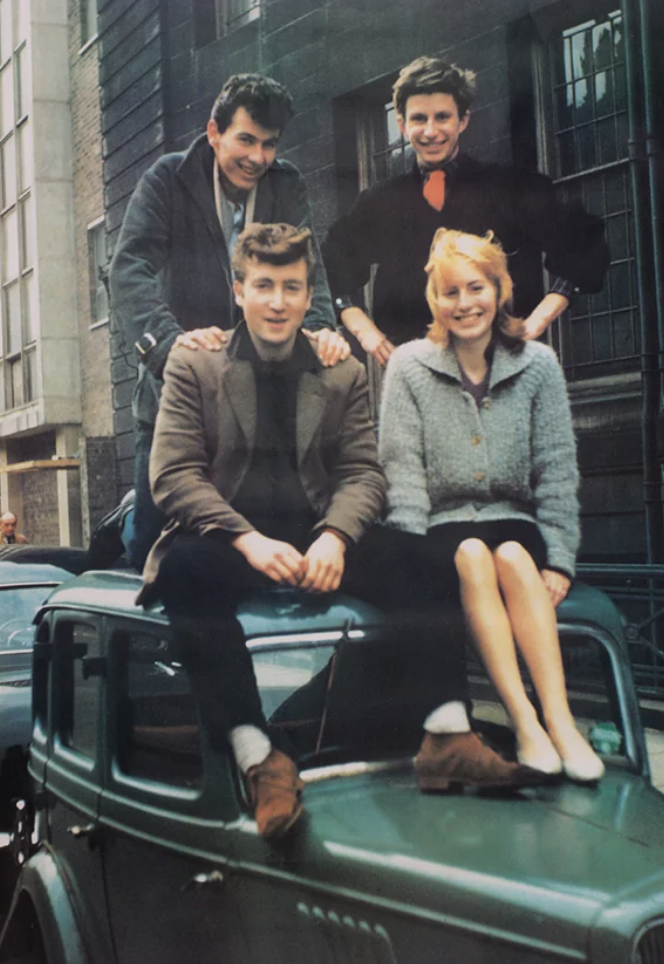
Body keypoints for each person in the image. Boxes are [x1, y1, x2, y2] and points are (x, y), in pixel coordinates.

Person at [139, 223, 548, 840]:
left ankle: (445, 733)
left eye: (292, 288)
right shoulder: (195, 362)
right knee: (184, 573)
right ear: (238, 289)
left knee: (427, 557)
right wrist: (246, 538)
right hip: (226, 540)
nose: (278, 301)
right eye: (265, 286)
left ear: (309, 297)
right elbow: (172, 475)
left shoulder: (340, 368)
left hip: (317, 535)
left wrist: (334, 536)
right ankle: (261, 758)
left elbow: (362, 471)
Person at [379, 227, 605, 784]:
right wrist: (412, 558)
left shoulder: (537, 364)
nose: (465, 304)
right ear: (436, 301)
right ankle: (524, 721)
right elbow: (401, 471)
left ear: (499, 289)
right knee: (476, 554)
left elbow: (556, 468)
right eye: (451, 293)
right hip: (443, 533)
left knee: (511, 557)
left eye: (476, 288)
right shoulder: (408, 366)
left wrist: (560, 560)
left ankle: (561, 721)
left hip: (517, 524)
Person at [110, 73, 348, 570]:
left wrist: (323, 329)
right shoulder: (167, 179)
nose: (257, 158)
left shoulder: (286, 183)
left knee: (255, 545)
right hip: (180, 393)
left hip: (259, 397)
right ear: (214, 132)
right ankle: (130, 520)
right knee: (153, 547)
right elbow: (129, 269)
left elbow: (311, 270)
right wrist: (168, 347)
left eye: (269, 144)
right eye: (245, 140)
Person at [323, 56, 609, 366]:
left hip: (503, 370)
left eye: (442, 117)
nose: (431, 131)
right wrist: (365, 331)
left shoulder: (512, 186)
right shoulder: (379, 202)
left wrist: (537, 322)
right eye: (419, 119)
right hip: (418, 377)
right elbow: (328, 268)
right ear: (402, 125)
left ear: (463, 120)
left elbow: (583, 244)